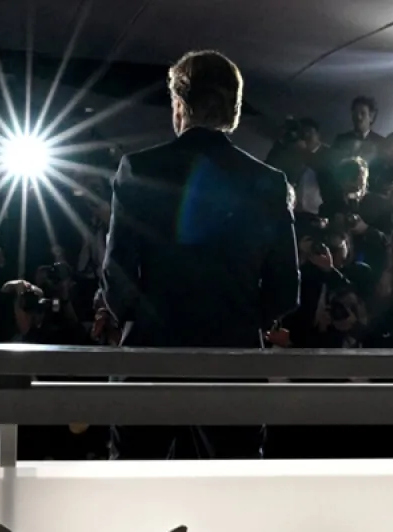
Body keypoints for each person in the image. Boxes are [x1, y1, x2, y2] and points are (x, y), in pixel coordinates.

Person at [102, 50, 299, 459]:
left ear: (179, 104)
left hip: (151, 355)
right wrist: (244, 322)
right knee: (232, 487)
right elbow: (285, 288)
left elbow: (117, 274)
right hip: (234, 356)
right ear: (234, 109)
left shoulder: (138, 169)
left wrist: (139, 321)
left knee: (134, 488)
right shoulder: (268, 182)